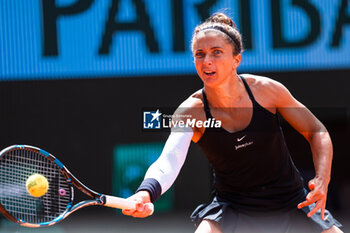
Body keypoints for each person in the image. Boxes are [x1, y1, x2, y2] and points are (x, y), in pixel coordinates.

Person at [122, 13, 343, 233]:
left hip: (292, 202)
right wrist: (146, 192)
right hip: (233, 208)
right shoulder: (190, 111)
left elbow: (316, 131)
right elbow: (169, 161)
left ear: (236, 59)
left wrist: (322, 179)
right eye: (200, 54)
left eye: (216, 52)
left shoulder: (267, 91)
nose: (207, 60)